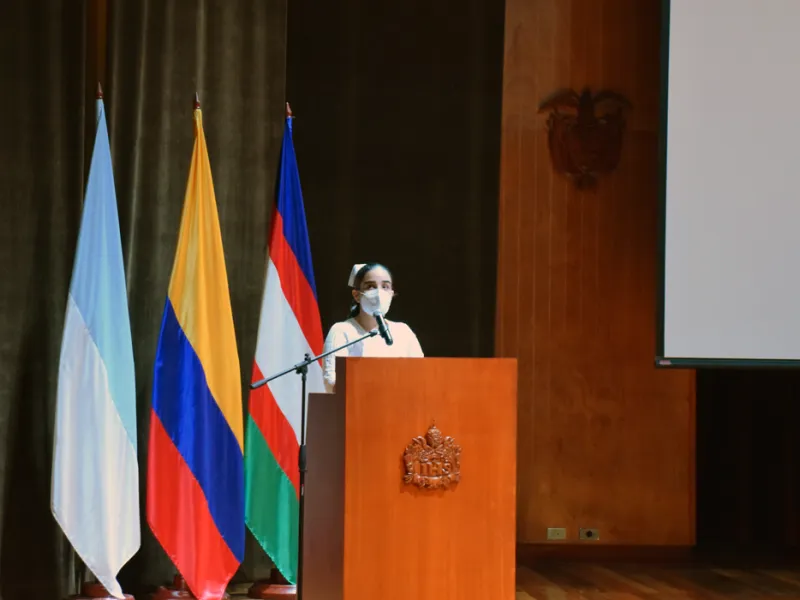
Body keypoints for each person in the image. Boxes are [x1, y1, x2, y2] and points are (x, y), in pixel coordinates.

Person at [322, 262, 424, 392]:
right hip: (356, 403)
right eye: (371, 286)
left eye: (385, 286)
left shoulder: (404, 332)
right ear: (357, 295)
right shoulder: (341, 331)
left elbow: (421, 376)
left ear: (391, 294)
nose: (379, 293)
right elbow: (331, 382)